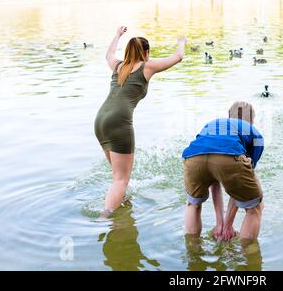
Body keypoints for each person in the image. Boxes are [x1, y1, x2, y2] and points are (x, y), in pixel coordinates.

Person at [94, 26, 187, 213]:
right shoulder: (147, 66)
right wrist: (181, 42)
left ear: (128, 51)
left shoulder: (118, 66)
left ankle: (123, 204)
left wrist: (117, 34)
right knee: (121, 179)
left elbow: (109, 54)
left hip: (100, 120)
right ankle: (104, 219)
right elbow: (178, 57)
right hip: (119, 122)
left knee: (118, 176)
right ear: (146, 52)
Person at [182, 101, 265, 241]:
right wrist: (228, 225)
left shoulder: (213, 124)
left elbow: (214, 182)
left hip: (192, 158)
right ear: (252, 120)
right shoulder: (254, 134)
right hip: (229, 158)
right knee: (254, 207)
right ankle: (248, 256)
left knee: (193, 204)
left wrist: (219, 223)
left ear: (229, 116)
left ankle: (193, 250)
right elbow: (239, 185)